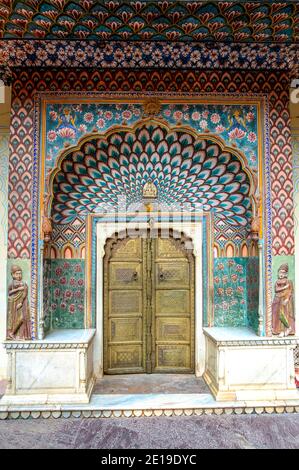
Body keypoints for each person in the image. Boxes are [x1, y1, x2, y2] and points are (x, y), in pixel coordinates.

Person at [7, 265, 31, 340]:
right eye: (17, 274)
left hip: (22, 303)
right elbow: (9, 292)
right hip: (13, 303)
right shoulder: (12, 283)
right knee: (14, 318)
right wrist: (18, 289)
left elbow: (25, 292)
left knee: (23, 318)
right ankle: (12, 333)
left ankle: (19, 334)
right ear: (13, 274)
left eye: (20, 273)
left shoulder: (23, 283)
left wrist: (21, 302)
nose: (19, 275)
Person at [272, 264, 295, 337]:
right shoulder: (277, 281)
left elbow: (290, 291)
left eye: (283, 273)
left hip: (285, 301)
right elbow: (276, 289)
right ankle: (278, 330)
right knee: (276, 315)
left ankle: (287, 328)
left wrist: (287, 299)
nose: (281, 274)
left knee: (284, 315)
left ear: (286, 274)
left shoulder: (289, 281)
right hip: (277, 300)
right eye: (280, 272)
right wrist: (284, 287)